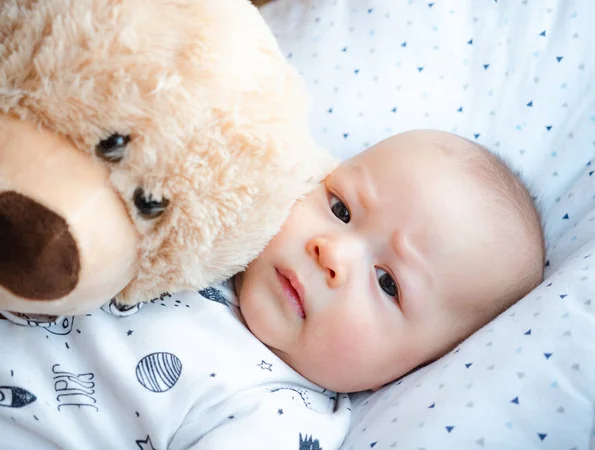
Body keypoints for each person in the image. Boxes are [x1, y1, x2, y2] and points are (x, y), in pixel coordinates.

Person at [0, 130, 544, 449]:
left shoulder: (278, 416)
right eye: (340, 208)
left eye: (387, 283)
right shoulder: (213, 236)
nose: (332, 253)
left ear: (418, 367)